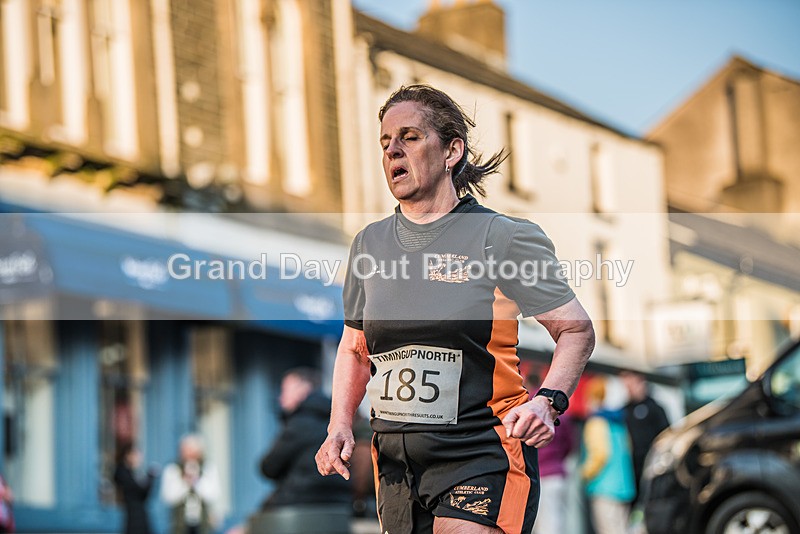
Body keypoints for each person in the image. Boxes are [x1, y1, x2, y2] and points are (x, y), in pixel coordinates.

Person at [315, 85, 595, 534]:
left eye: (409, 136)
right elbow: (354, 349)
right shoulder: (369, 245)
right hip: (395, 467)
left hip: (480, 453)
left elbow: (576, 331)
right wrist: (338, 425)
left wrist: (549, 401)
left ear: (452, 151)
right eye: (385, 142)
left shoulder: (500, 237)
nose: (392, 150)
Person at [259, 367, 351, 509]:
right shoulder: (337, 421)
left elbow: (268, 467)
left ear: (304, 389)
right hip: (341, 505)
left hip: (299, 504)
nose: (280, 398)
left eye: (285, 390)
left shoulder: (299, 424)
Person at [579, 376, 635, 534]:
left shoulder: (596, 422)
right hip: (623, 487)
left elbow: (599, 454)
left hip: (604, 487)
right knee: (622, 529)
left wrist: (584, 473)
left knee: (607, 529)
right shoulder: (618, 422)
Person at [525, 373, 576, 534]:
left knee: (534, 522)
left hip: (534, 473)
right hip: (556, 473)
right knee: (554, 521)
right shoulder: (560, 410)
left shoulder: (526, 409)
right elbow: (570, 444)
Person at [621, 371, 669, 504]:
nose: (629, 389)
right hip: (630, 470)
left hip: (651, 465)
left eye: (631, 384)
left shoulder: (655, 408)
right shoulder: (624, 410)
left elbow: (665, 436)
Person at [161, 434, 221, 534]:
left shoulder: (208, 468)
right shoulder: (173, 469)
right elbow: (168, 497)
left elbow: (213, 495)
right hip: (179, 525)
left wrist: (196, 481)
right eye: (186, 452)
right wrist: (184, 482)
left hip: (203, 525)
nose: (190, 457)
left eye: (193, 453)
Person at [114, 442, 157, 534]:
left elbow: (144, 494)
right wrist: (149, 477)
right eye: (135, 454)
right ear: (128, 455)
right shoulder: (123, 472)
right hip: (132, 514)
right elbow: (136, 489)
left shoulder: (136, 472)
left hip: (140, 514)